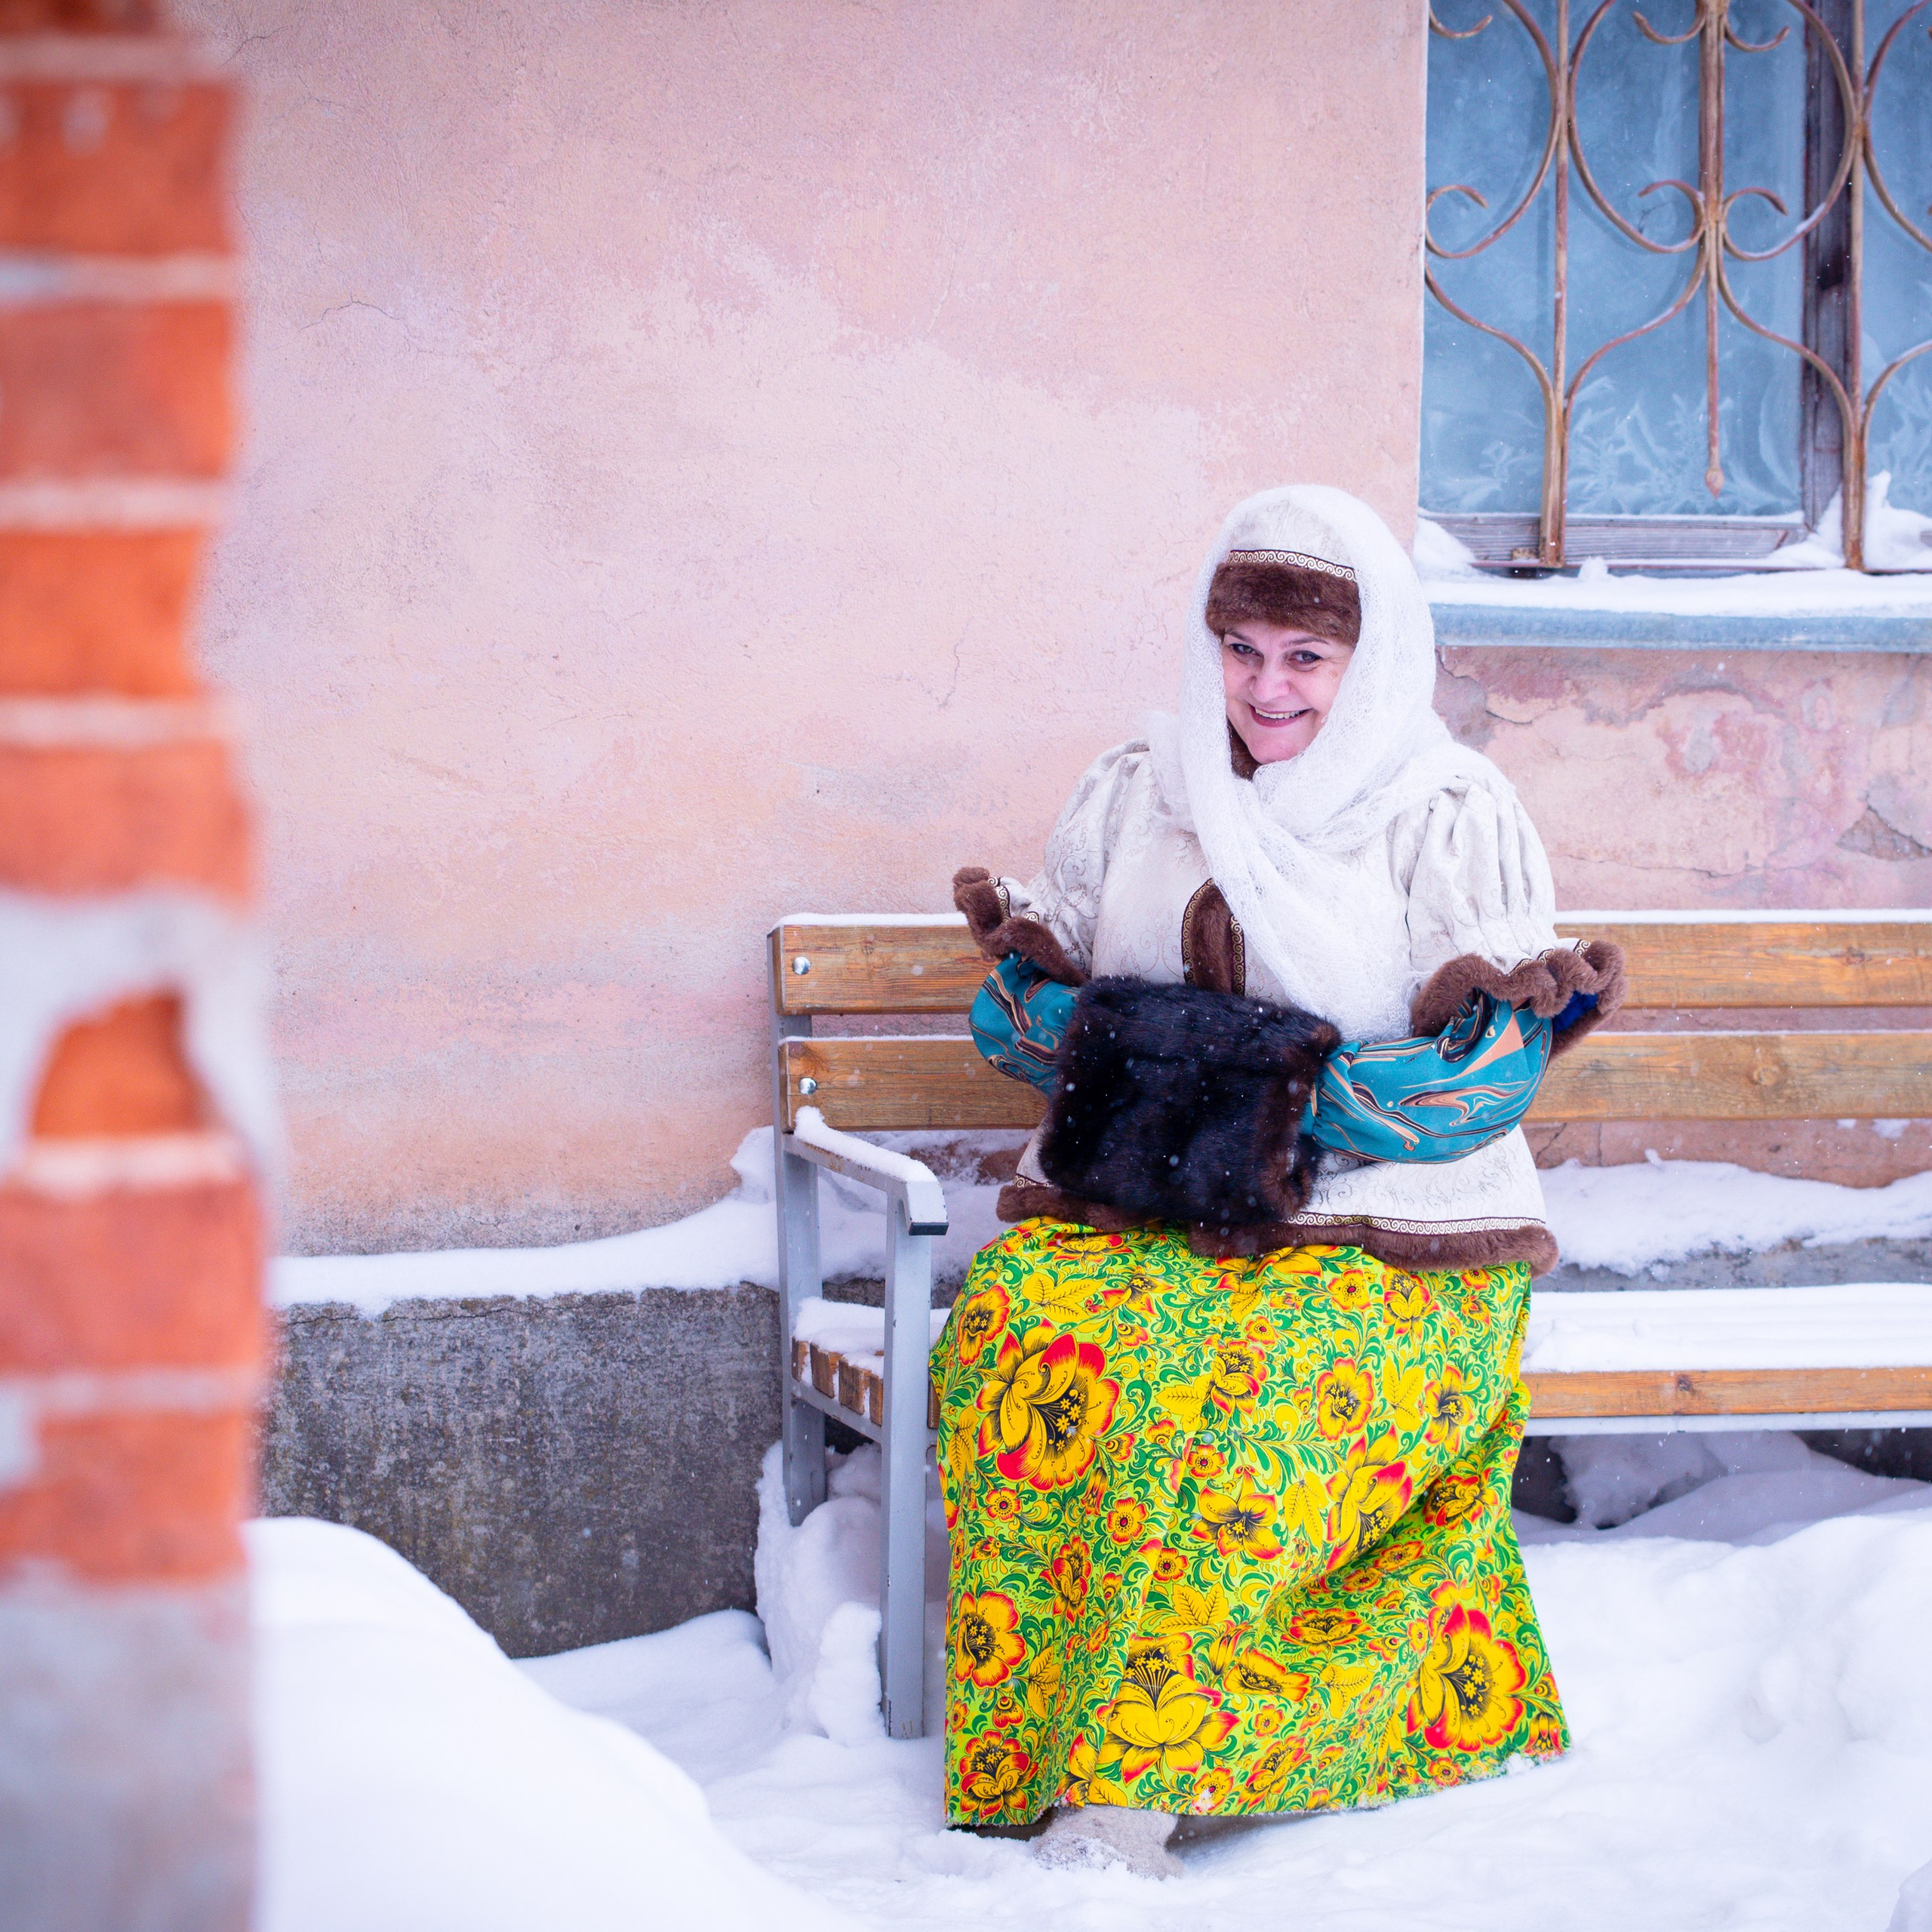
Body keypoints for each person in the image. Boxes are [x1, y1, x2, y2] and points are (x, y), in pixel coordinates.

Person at [931, 485, 1625, 1878]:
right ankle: (1036, 1738)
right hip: (1157, 1218)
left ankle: (1135, 1782)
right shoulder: (1143, 790)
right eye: (1242, 648)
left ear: (1370, 666)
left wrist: (1276, 1095)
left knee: (1220, 1383)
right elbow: (1022, 1022)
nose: (1266, 687)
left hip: (1395, 1246)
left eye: (1306, 657)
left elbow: (1484, 1079)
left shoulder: (1443, 810)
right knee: (1024, 1319)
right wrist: (1135, 1047)